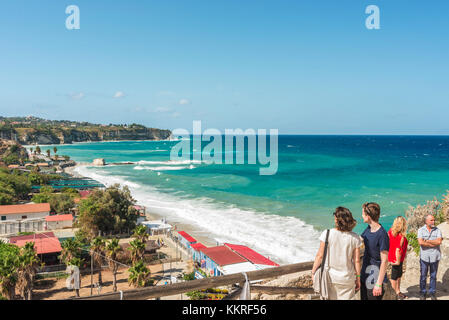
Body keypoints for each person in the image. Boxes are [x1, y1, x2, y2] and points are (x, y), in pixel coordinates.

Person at [312, 207, 362, 300]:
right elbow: (357, 261)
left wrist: (313, 272)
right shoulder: (355, 238)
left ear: (336, 219)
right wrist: (358, 278)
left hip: (330, 278)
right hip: (347, 279)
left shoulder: (327, 234)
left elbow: (320, 256)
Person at [360, 202, 389, 300]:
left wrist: (379, 284)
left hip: (375, 277)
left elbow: (384, 261)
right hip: (365, 274)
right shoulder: (368, 229)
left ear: (368, 216)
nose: (362, 216)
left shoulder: (382, 234)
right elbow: (359, 240)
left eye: (363, 214)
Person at [417, 214, 443, 300]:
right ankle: (423, 292)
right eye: (431, 220)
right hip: (424, 257)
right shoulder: (421, 230)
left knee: (433, 275)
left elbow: (439, 242)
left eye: (434, 220)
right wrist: (433, 243)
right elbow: (420, 242)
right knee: (423, 275)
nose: (433, 222)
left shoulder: (438, 230)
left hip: (435, 257)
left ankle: (432, 292)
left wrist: (427, 241)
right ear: (426, 221)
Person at [387, 216, 409, 299]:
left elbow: (388, 242)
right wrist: (398, 261)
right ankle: (394, 295)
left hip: (393, 257)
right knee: (394, 277)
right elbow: (398, 250)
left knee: (398, 275)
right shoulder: (401, 237)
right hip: (397, 260)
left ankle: (397, 291)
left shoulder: (390, 232)